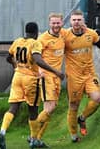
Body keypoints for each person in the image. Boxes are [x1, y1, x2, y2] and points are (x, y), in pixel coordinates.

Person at [0, 22, 64, 149]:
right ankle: (34, 140)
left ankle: (3, 131)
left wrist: (16, 66)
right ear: (36, 32)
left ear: (26, 31)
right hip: (31, 79)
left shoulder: (17, 41)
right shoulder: (35, 43)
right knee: (33, 110)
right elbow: (38, 60)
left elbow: (8, 57)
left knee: (13, 108)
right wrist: (55, 71)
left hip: (17, 77)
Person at [63, 10, 100, 142]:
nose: (76, 22)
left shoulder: (91, 34)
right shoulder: (65, 36)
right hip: (74, 77)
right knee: (73, 106)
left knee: (98, 98)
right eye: (74, 20)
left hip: (89, 74)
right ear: (71, 22)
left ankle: (82, 118)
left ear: (83, 20)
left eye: (79, 19)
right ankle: (73, 135)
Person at [28, 13, 66, 148]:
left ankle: (37, 139)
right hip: (46, 76)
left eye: (58, 23)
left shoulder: (63, 35)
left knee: (50, 109)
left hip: (57, 78)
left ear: (62, 23)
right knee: (50, 108)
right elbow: (36, 57)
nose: (56, 25)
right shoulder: (42, 39)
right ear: (49, 23)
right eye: (53, 23)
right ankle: (32, 136)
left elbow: (76, 30)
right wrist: (39, 71)